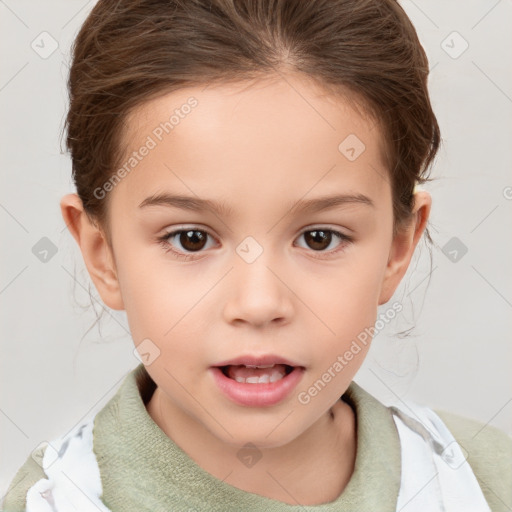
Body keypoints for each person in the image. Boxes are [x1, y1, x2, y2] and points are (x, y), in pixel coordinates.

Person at [3, 0, 511, 510]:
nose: (259, 302)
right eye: (191, 239)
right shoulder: (53, 501)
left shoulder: (483, 483)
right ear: (102, 253)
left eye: (319, 238)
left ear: (398, 248)